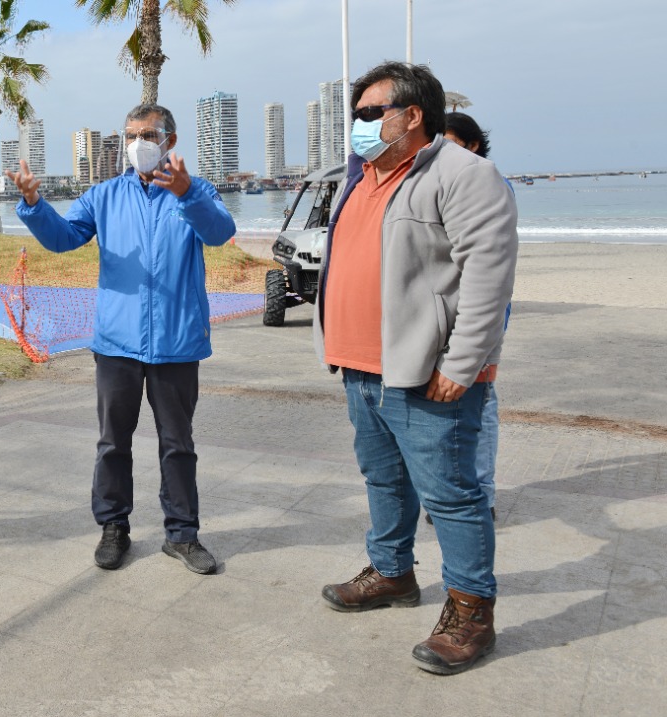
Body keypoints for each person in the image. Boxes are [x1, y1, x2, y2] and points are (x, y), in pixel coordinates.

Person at [313, 62, 517, 675]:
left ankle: (471, 612)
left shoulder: (464, 174)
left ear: (413, 115)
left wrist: (465, 361)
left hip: (428, 372)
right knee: (383, 480)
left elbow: (488, 276)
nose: (360, 125)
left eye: (372, 113)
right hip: (359, 368)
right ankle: (394, 572)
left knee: (453, 496)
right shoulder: (364, 179)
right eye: (356, 115)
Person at [7, 103, 236, 575]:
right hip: (116, 345)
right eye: (131, 135)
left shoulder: (195, 192)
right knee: (113, 442)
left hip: (176, 344)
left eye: (148, 134)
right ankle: (114, 527)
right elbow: (65, 237)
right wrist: (33, 205)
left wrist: (188, 193)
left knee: (178, 443)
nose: (138, 144)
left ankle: (183, 534)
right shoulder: (104, 195)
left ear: (170, 140)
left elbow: (220, 232)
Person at [426, 111, 505, 524]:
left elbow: (488, 272)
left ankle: (482, 495)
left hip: (478, 322)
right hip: (442, 317)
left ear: (472, 146)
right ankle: (449, 495)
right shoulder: (438, 184)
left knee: (481, 408)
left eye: (452, 144)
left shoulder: (486, 183)